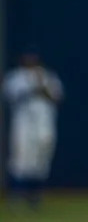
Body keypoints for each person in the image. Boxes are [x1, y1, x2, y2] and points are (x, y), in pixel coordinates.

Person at [1, 49, 63, 210]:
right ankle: (16, 195)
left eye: (33, 58)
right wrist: (33, 87)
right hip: (23, 123)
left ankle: (35, 196)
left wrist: (42, 85)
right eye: (28, 58)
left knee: (41, 158)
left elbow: (56, 97)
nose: (31, 61)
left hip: (43, 122)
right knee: (21, 157)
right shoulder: (16, 77)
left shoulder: (47, 76)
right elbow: (11, 95)